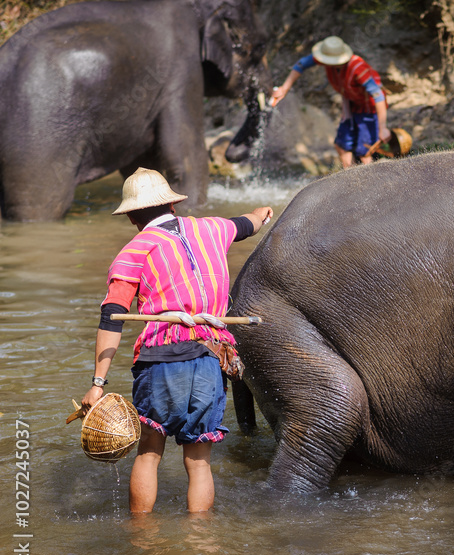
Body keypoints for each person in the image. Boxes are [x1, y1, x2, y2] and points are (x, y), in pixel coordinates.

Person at [80, 167, 273, 514]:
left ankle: (142, 541)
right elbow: (249, 222)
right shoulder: (214, 228)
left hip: (160, 359)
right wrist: (263, 214)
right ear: (172, 204)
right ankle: (201, 544)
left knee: (150, 454)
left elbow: (112, 317)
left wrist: (97, 383)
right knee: (199, 463)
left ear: (132, 218)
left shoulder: (133, 251)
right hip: (208, 356)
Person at [270, 35, 391, 168]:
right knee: (341, 145)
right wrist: (284, 88)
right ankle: (351, 179)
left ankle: (369, 183)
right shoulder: (328, 61)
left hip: (369, 109)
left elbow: (378, 95)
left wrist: (383, 127)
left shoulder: (358, 68)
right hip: (351, 106)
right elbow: (301, 64)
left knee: (365, 151)